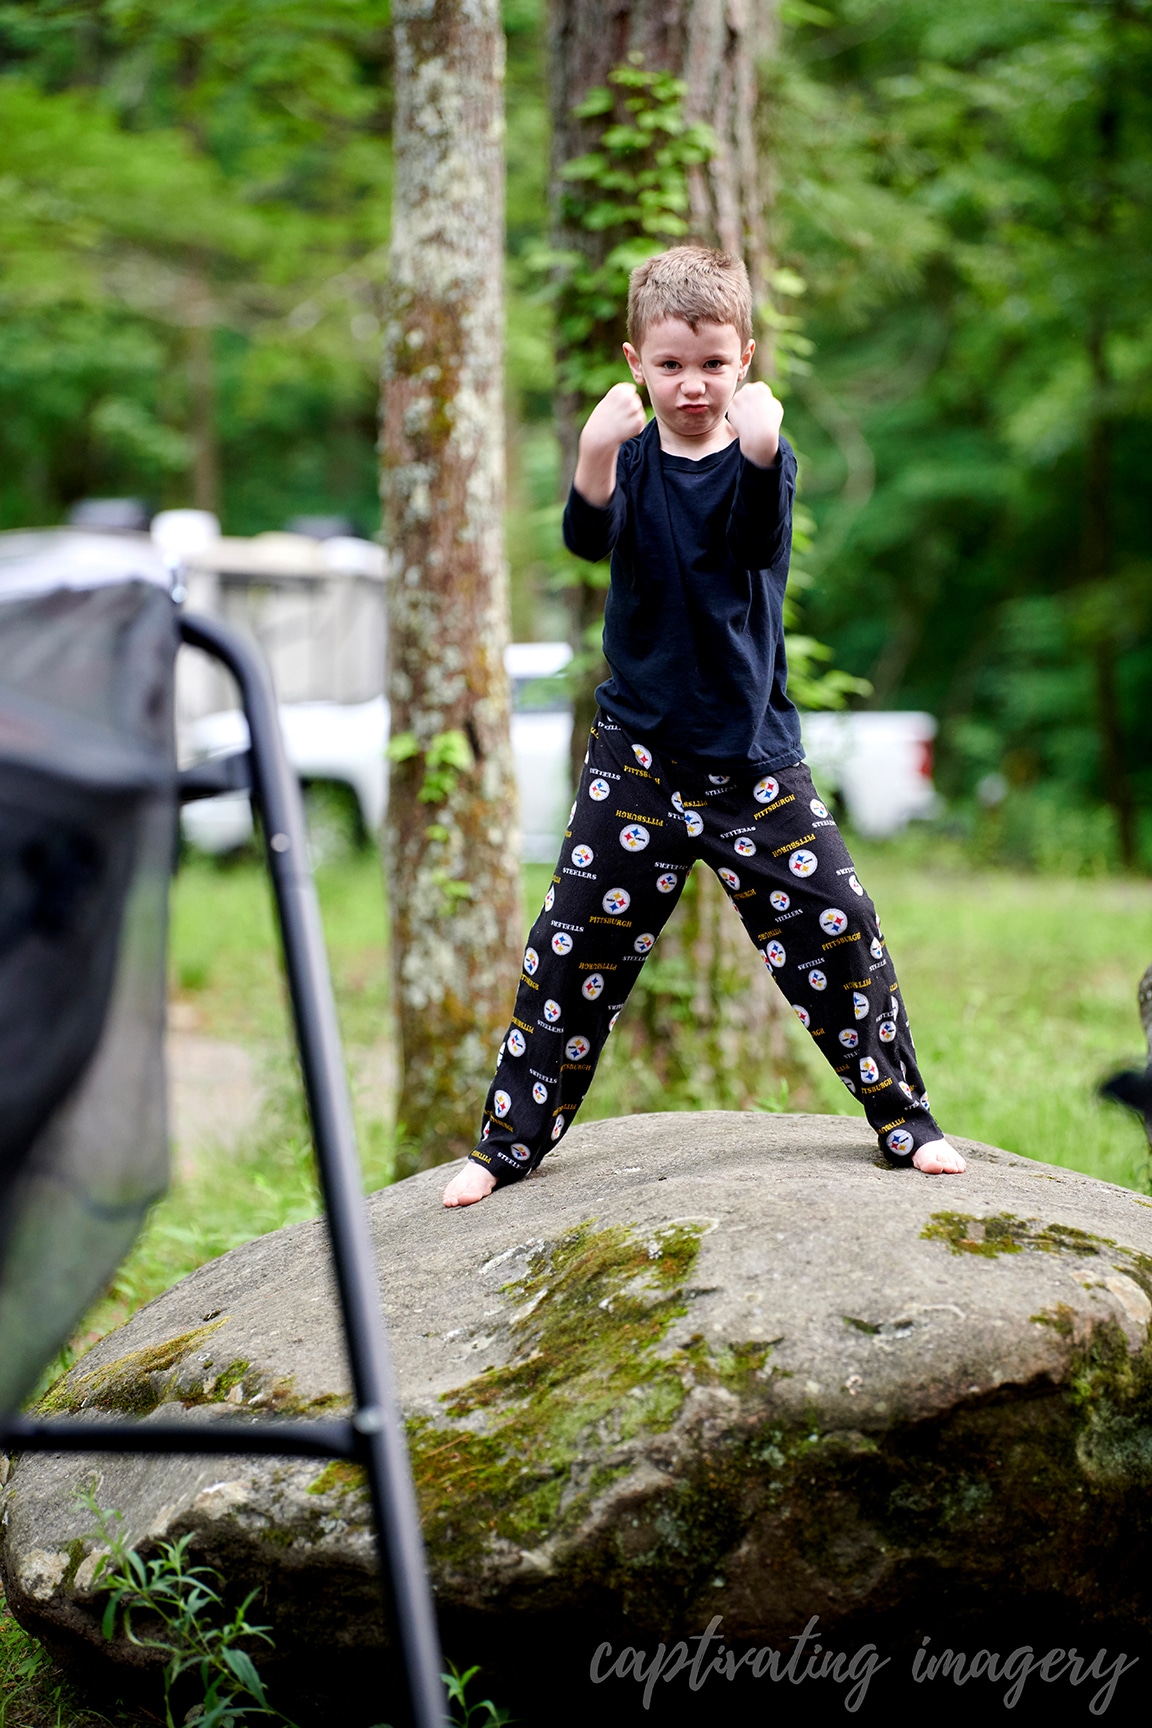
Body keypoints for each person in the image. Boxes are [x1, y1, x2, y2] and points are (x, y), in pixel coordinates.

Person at [443, 245, 964, 1208]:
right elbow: (584, 543)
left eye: (714, 364)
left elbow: (758, 545)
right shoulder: (631, 461)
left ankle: (905, 1121)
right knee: (569, 949)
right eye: (672, 363)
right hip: (635, 758)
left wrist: (763, 451)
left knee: (838, 926)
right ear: (635, 360)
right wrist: (595, 458)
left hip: (751, 763)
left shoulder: (765, 458)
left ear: (747, 360)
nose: (693, 384)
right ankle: (505, 1148)